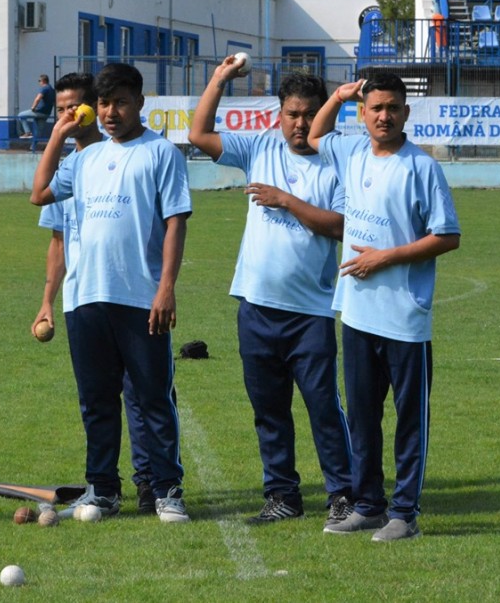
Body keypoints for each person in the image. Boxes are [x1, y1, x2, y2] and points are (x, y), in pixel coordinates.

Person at [188, 57, 353, 528]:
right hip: (256, 306)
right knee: (269, 410)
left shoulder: (336, 160)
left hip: (311, 312)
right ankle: (282, 494)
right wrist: (220, 79)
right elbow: (199, 135)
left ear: (324, 114)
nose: (300, 123)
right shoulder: (261, 146)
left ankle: (342, 493)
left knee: (324, 407)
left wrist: (287, 201)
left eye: (309, 114)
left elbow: (341, 225)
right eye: (292, 114)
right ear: (278, 114)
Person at [31, 63, 192, 523]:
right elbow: (39, 192)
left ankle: (166, 490)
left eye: (120, 101)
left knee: (153, 397)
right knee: (97, 400)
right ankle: (102, 490)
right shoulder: (83, 159)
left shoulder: (161, 153)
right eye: (103, 103)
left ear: (140, 102)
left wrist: (166, 289)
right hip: (85, 298)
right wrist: (59, 132)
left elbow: (176, 222)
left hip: (141, 297)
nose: (111, 111)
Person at [307, 72, 461, 542]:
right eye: (375, 107)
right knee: (362, 415)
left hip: (404, 317)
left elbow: (447, 235)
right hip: (357, 313)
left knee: (408, 419)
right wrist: (337, 95)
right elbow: (315, 134)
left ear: (406, 113)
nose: (384, 116)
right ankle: (369, 505)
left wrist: (384, 257)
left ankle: (405, 514)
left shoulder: (422, 167)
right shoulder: (351, 152)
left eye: (393, 107)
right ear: (363, 112)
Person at [17, 74, 55, 138]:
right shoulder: (52, 90)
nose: (39, 82)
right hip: (46, 113)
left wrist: (33, 107)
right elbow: (54, 102)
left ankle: (27, 132)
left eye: (39, 80)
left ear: (43, 81)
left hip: (38, 112)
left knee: (21, 115)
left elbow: (38, 98)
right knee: (38, 131)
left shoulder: (44, 88)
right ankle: (33, 147)